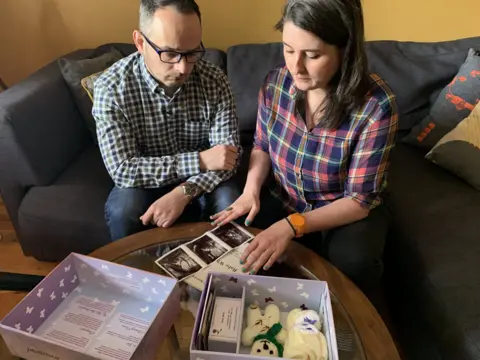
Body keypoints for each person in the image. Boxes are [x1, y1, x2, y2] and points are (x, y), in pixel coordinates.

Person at [211, 0, 398, 300]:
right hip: (285, 197)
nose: (295, 67)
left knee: (354, 262)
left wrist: (292, 226)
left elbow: (360, 200)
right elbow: (261, 146)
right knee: (238, 243)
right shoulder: (275, 85)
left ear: (345, 51)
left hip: (343, 208)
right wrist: (250, 190)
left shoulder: (376, 106)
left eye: (312, 55)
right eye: (288, 50)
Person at [93, 0, 241, 241]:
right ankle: (135, 275)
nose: (183, 68)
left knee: (230, 200)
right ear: (140, 43)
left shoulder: (214, 79)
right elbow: (123, 171)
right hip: (146, 181)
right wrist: (200, 159)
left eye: (192, 52)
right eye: (170, 53)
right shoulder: (111, 89)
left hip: (201, 181)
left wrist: (184, 192)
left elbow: (228, 159)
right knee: (124, 209)